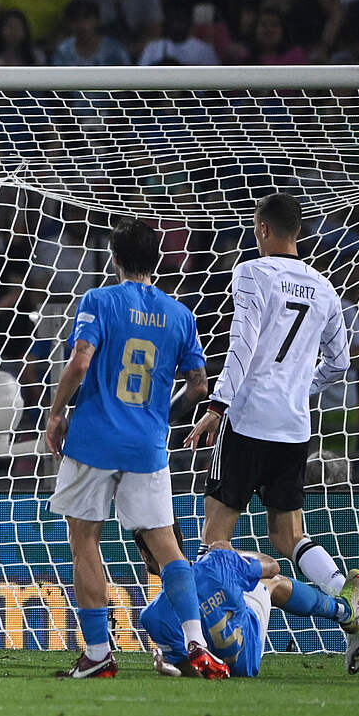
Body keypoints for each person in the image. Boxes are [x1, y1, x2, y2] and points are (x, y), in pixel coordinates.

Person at [184, 192, 359, 657]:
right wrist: (296, 389)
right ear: (299, 231)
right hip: (293, 426)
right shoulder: (326, 288)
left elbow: (241, 345)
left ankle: (221, 640)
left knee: (215, 538)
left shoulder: (251, 272)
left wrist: (217, 405)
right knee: (289, 536)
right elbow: (341, 363)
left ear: (263, 229)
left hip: (247, 421)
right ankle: (347, 601)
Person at [42, 218, 228, 679]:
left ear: (116, 259)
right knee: (166, 546)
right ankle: (196, 643)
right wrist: (158, 416)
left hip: (94, 440)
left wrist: (56, 412)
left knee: (84, 540)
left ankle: (99, 654)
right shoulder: (180, 314)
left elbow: (80, 361)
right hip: (148, 444)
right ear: (157, 260)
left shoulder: (99, 300)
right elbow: (199, 384)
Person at [138, 531, 359, 678]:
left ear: (144, 554)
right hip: (246, 650)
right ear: (179, 539)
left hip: (221, 668)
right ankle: (343, 611)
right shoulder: (217, 562)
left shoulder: (151, 616)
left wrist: (166, 663)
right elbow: (272, 566)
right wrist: (234, 555)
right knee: (272, 582)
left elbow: (187, 670)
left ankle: (345, 612)